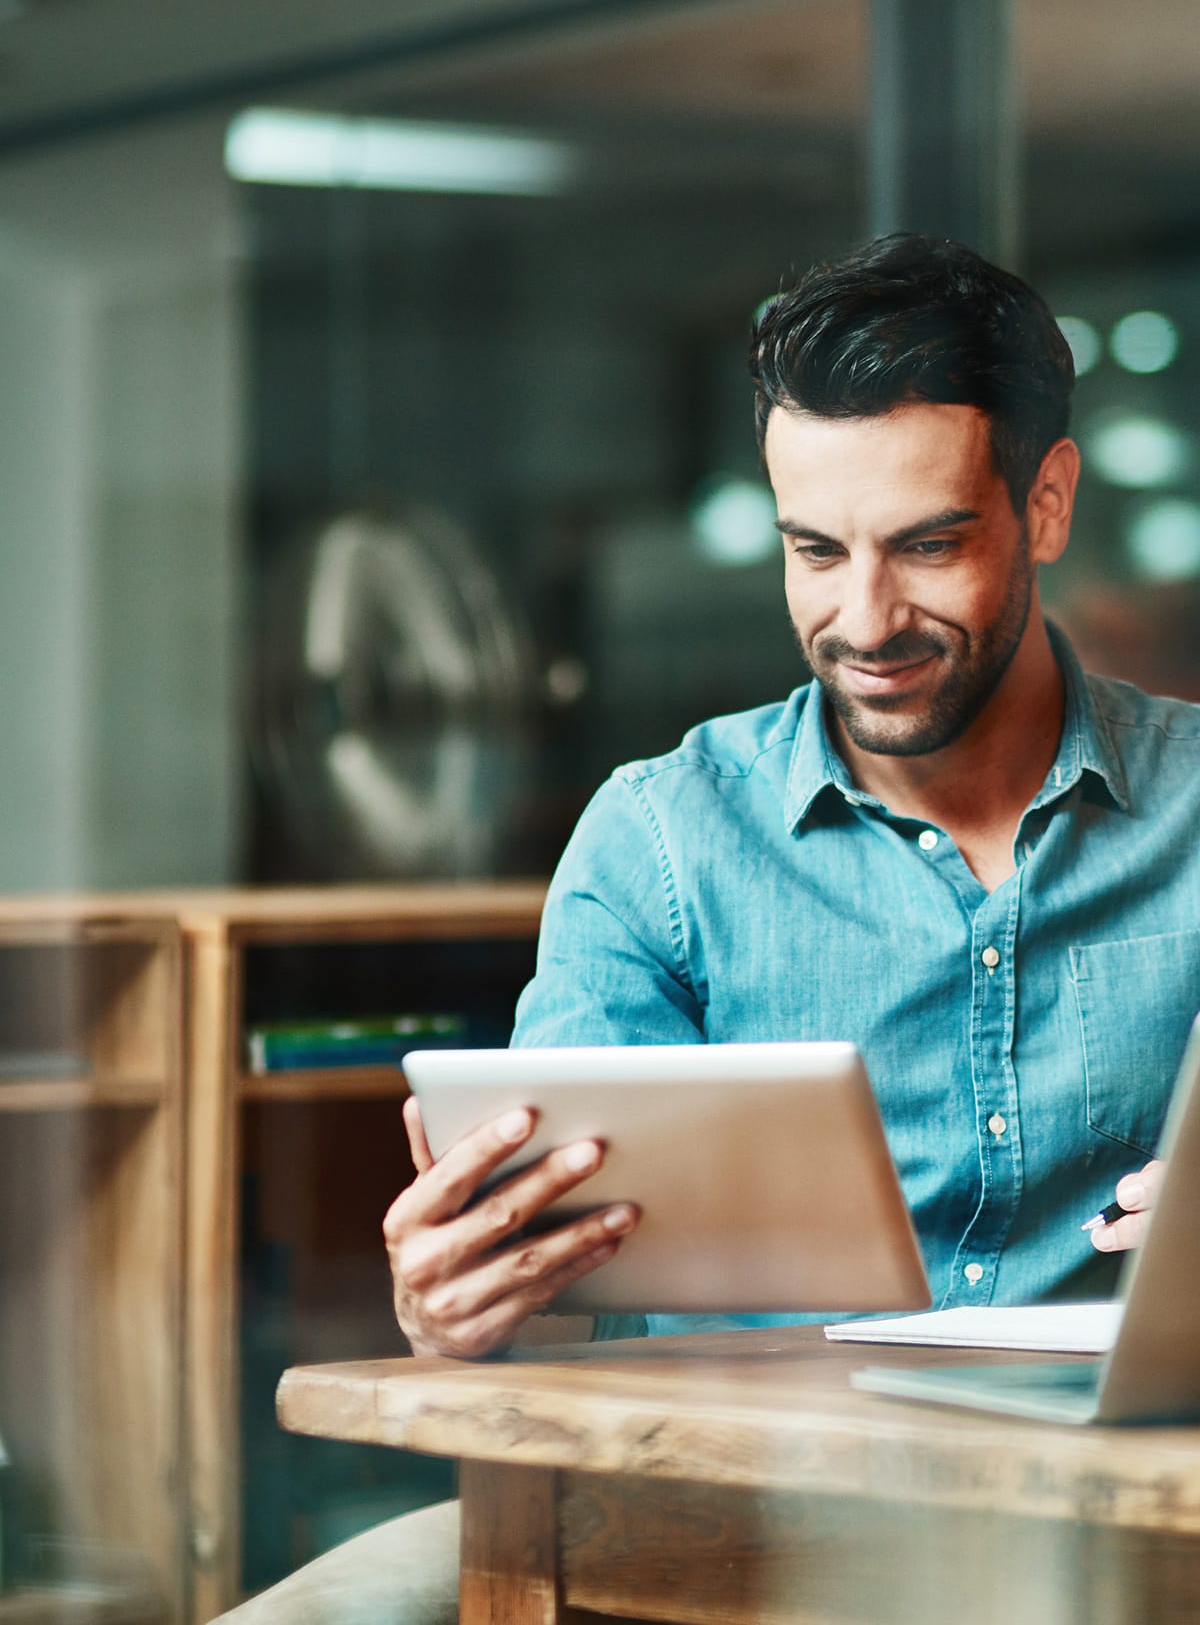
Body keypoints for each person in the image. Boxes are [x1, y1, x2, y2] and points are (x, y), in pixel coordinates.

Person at [217, 233, 1193, 1621]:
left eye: (928, 545)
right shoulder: (665, 834)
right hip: (694, 1508)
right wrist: (456, 1306)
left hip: (1096, 1527)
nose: (865, 619)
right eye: (815, 550)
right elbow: (546, 1269)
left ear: (1045, 504)